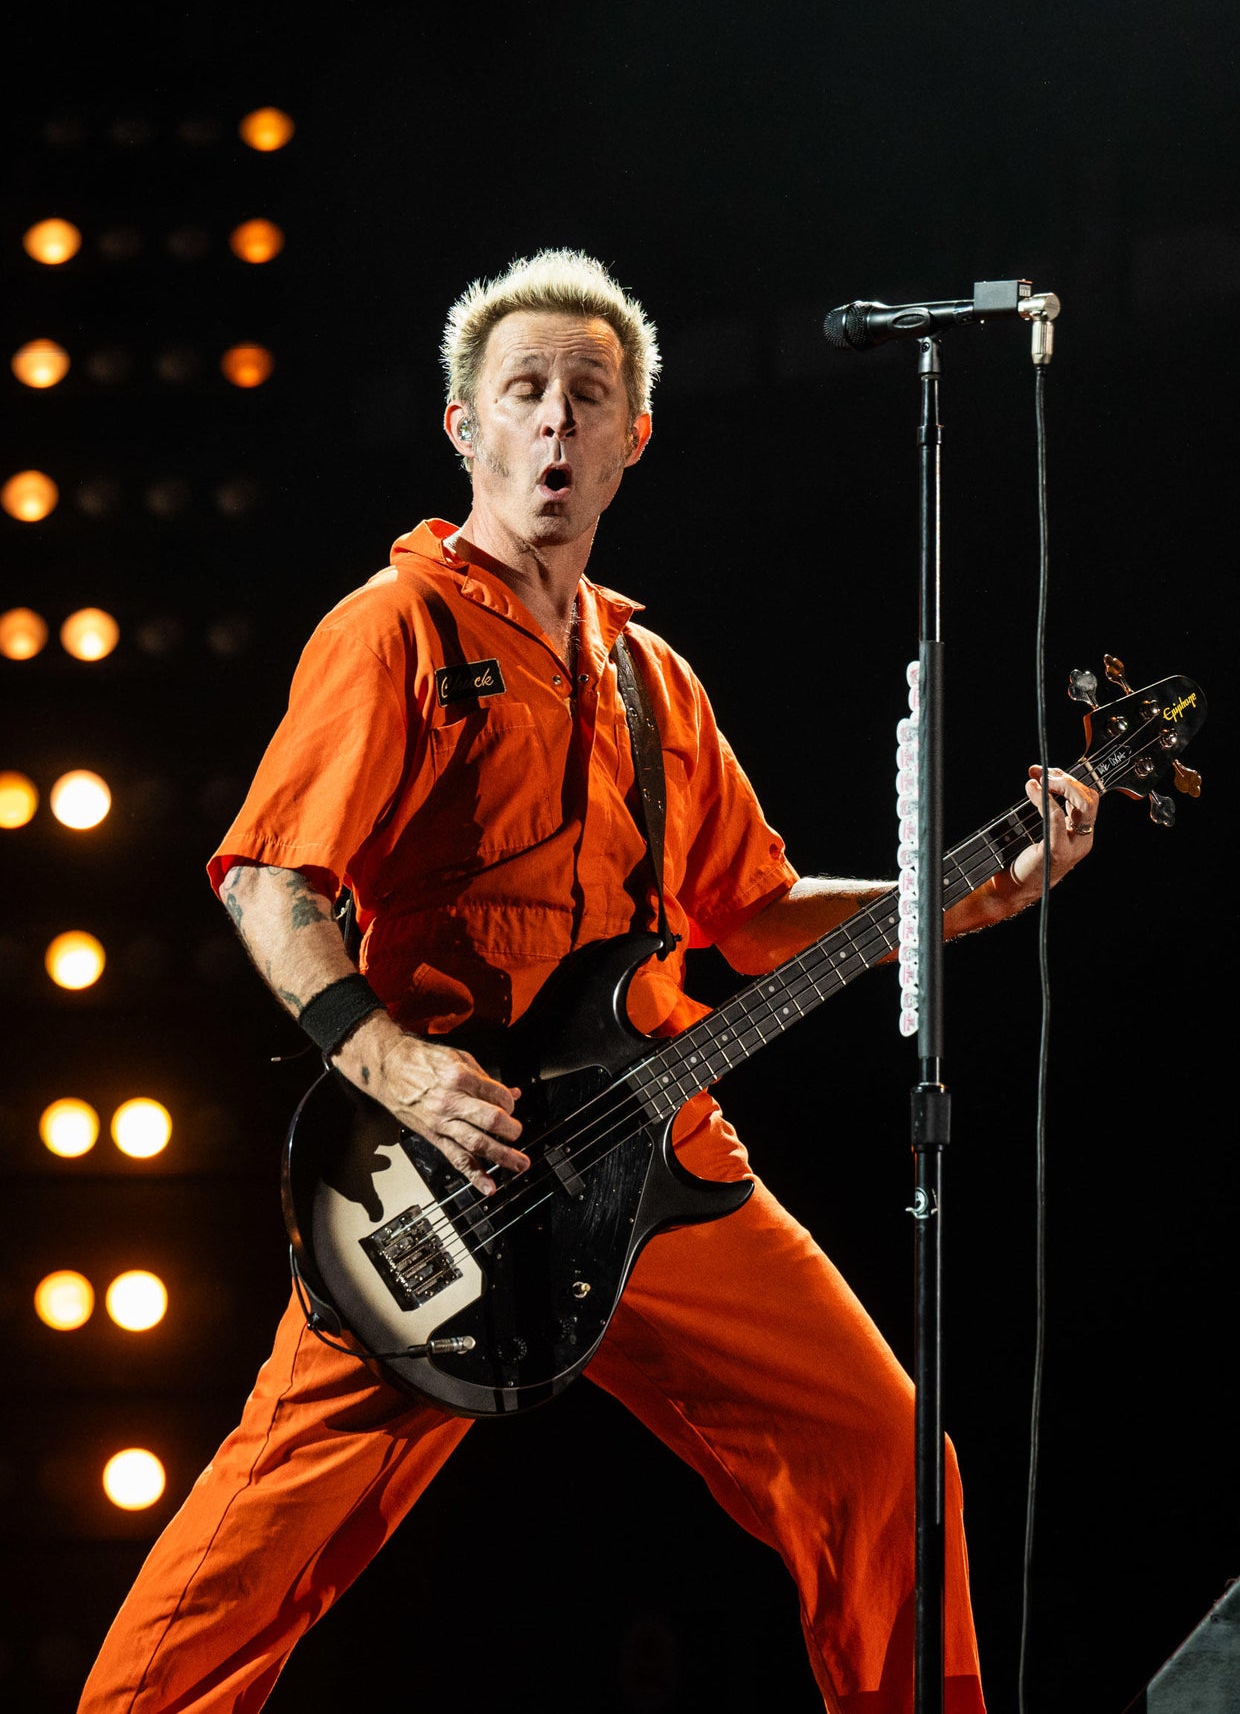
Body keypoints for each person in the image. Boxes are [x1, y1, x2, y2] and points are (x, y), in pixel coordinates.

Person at [79, 248, 1098, 1714]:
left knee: (887, 1453)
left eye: (590, 398)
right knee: (259, 1556)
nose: (558, 424)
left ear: (635, 440)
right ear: (466, 427)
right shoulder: (397, 630)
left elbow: (747, 916)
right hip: (449, 1174)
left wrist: (979, 886)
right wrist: (397, 1065)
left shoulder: (651, 679)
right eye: (526, 394)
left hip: (663, 1163)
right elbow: (268, 881)